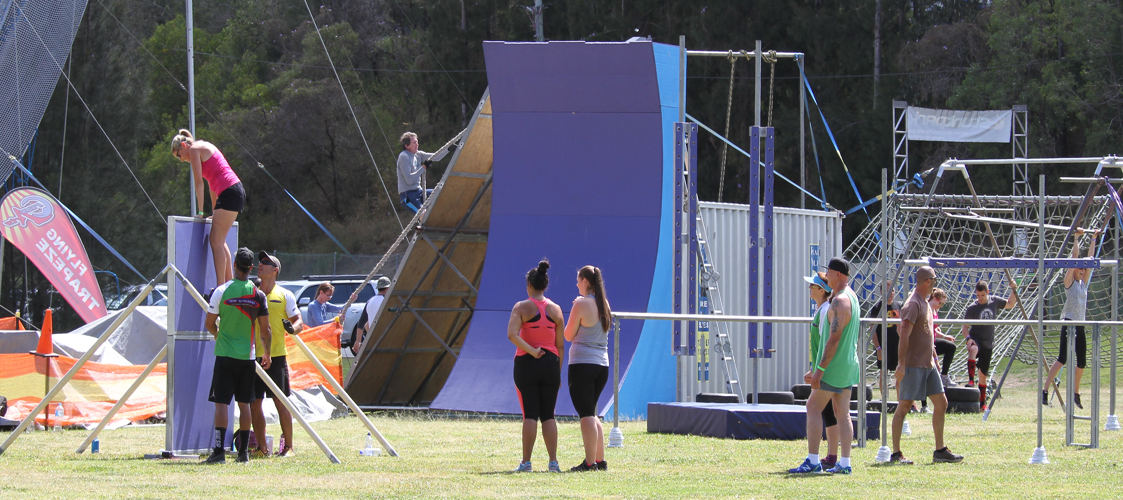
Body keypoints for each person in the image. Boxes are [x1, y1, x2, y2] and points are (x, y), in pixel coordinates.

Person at [789, 257, 858, 475]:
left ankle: (813, 460)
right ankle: (844, 463)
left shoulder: (840, 302)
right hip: (847, 365)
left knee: (813, 407)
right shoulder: (851, 297)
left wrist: (820, 369)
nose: (826, 275)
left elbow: (834, 338)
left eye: (828, 271)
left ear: (838, 274)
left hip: (834, 368)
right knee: (842, 413)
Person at [202, 247, 270, 464]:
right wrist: (266, 353)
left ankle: (219, 452)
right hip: (248, 357)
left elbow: (209, 324)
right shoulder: (258, 295)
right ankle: (243, 454)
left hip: (224, 355)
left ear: (234, 266)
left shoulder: (221, 291)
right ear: (251, 268)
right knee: (245, 404)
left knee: (221, 403)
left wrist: (218, 335)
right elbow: (265, 329)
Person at [890, 266, 963, 464]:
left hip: (928, 364)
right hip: (913, 364)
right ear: (927, 281)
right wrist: (902, 364)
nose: (935, 284)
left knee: (941, 403)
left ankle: (940, 450)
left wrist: (931, 354)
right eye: (934, 280)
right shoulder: (913, 304)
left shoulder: (925, 302)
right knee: (904, 405)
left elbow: (925, 333)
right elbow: (903, 334)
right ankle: (896, 453)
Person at [508, 259, 564, 473]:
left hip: (527, 363)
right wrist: (558, 373)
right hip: (551, 363)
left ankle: (526, 462)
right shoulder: (556, 310)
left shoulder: (521, 307)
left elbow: (511, 334)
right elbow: (560, 345)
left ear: (529, 285)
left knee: (530, 414)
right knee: (549, 414)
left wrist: (531, 351)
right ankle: (553, 462)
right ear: (545, 285)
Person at [171, 129, 244, 288]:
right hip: (231, 192)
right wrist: (213, 211)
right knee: (219, 240)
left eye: (179, 155)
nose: (182, 160)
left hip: (230, 191)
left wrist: (201, 212)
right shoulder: (201, 148)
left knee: (215, 241)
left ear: (184, 145)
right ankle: (228, 284)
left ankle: (221, 287)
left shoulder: (196, 149)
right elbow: (212, 185)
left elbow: (198, 183)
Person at [249, 251, 303, 458]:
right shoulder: (252, 292)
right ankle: (262, 448)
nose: (260, 265)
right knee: (255, 403)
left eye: (265, 262)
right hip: (253, 356)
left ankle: (288, 446)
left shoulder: (285, 294)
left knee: (282, 402)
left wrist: (293, 328)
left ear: (275, 270)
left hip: (277, 356)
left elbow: (298, 321)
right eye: (259, 262)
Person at [1045, 228, 1100, 408]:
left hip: (1080, 324)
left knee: (1082, 361)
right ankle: (1045, 390)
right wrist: (1076, 238)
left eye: (1084, 270)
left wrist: (1093, 239)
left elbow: (1091, 261)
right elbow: (1074, 258)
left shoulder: (1083, 284)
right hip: (1069, 323)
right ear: (1076, 268)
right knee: (1062, 358)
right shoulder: (1069, 282)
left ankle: (1076, 393)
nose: (1083, 271)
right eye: (1080, 268)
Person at [565, 265, 612, 472]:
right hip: (602, 365)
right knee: (592, 413)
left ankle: (590, 462)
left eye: (578, 280)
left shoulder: (581, 304)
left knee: (585, 415)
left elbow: (568, 335)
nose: (576, 284)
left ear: (586, 281)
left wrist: (577, 308)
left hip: (583, 364)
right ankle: (600, 460)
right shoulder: (604, 304)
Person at [801, 271, 846, 470]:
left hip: (827, 369)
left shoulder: (826, 309)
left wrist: (818, 370)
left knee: (819, 409)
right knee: (831, 412)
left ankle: (820, 458)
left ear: (822, 290)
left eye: (813, 286)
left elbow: (827, 343)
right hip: (824, 367)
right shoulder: (822, 309)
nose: (809, 288)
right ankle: (833, 456)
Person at [961, 280, 1018, 410]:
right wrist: (968, 338)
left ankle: (982, 404)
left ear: (987, 292)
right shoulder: (972, 308)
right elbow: (965, 328)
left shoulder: (994, 301)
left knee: (983, 376)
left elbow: (1010, 304)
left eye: (982, 295)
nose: (980, 299)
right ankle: (970, 380)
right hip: (976, 340)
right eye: (977, 296)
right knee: (973, 349)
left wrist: (1014, 289)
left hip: (988, 343)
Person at [870, 300, 902, 408]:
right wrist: (878, 347)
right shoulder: (877, 307)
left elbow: (901, 326)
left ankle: (900, 401)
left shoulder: (898, 305)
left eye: (892, 289)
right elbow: (872, 329)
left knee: (900, 373)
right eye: (886, 287)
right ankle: (885, 401)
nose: (890, 292)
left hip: (897, 345)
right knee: (883, 372)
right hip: (883, 345)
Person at [353, 276, 392, 355]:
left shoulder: (370, 301)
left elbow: (362, 323)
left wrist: (358, 341)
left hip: (373, 340)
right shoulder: (387, 301)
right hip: (386, 338)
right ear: (388, 288)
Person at [397, 132, 435, 213]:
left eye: (417, 142)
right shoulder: (404, 156)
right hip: (406, 197)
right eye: (414, 142)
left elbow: (436, 156)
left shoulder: (418, 154)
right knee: (422, 213)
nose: (417, 144)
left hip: (419, 192)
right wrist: (423, 167)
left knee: (441, 193)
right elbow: (409, 180)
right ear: (407, 146)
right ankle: (423, 219)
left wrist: (449, 149)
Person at [929, 288, 957, 388]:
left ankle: (944, 376)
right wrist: (936, 359)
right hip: (926, 342)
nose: (940, 306)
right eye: (940, 303)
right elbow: (929, 330)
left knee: (951, 347)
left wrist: (945, 336)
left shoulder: (935, 310)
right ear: (935, 299)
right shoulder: (927, 309)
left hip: (933, 340)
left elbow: (934, 329)